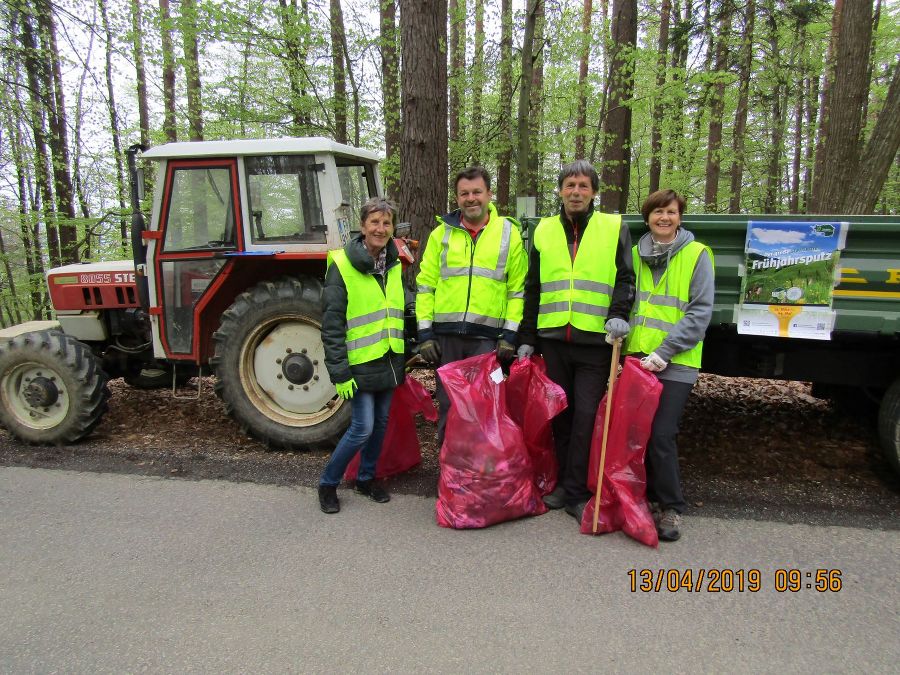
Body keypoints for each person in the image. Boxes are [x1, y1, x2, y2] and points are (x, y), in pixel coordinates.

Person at [518, 160, 635, 521]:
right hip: (554, 339)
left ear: (594, 192)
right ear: (560, 190)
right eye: (570, 185)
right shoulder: (543, 231)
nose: (576, 192)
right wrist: (526, 336)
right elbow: (532, 287)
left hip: (594, 342)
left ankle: (579, 489)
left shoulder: (614, 227)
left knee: (585, 416)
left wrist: (618, 313)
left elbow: (626, 279)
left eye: (584, 186)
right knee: (562, 418)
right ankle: (565, 486)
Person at [626, 189, 714, 541]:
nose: (665, 218)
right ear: (647, 217)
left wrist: (665, 351)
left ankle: (671, 507)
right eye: (658, 212)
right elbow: (626, 300)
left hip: (675, 361)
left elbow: (699, 312)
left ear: (680, 217)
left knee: (662, 434)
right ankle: (640, 499)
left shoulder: (697, 255)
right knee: (638, 435)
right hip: (637, 360)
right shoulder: (634, 255)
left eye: (672, 212)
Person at [416, 167, 527, 445]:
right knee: (450, 404)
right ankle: (450, 476)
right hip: (447, 339)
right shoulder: (440, 234)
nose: (471, 198)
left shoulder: (508, 234)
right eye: (464, 193)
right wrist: (426, 334)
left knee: (486, 407)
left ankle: (481, 475)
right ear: (457, 197)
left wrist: (510, 336)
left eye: (477, 192)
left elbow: (517, 291)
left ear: (489, 194)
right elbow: (426, 286)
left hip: (488, 342)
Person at [318, 197, 405, 514]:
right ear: (363, 225)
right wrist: (339, 372)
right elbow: (331, 323)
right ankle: (328, 483)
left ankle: (366, 478)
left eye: (386, 223)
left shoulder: (394, 263)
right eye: (374, 222)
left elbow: (396, 308)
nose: (380, 229)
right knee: (362, 428)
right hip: (359, 363)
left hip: (388, 358)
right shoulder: (342, 265)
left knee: (379, 425)